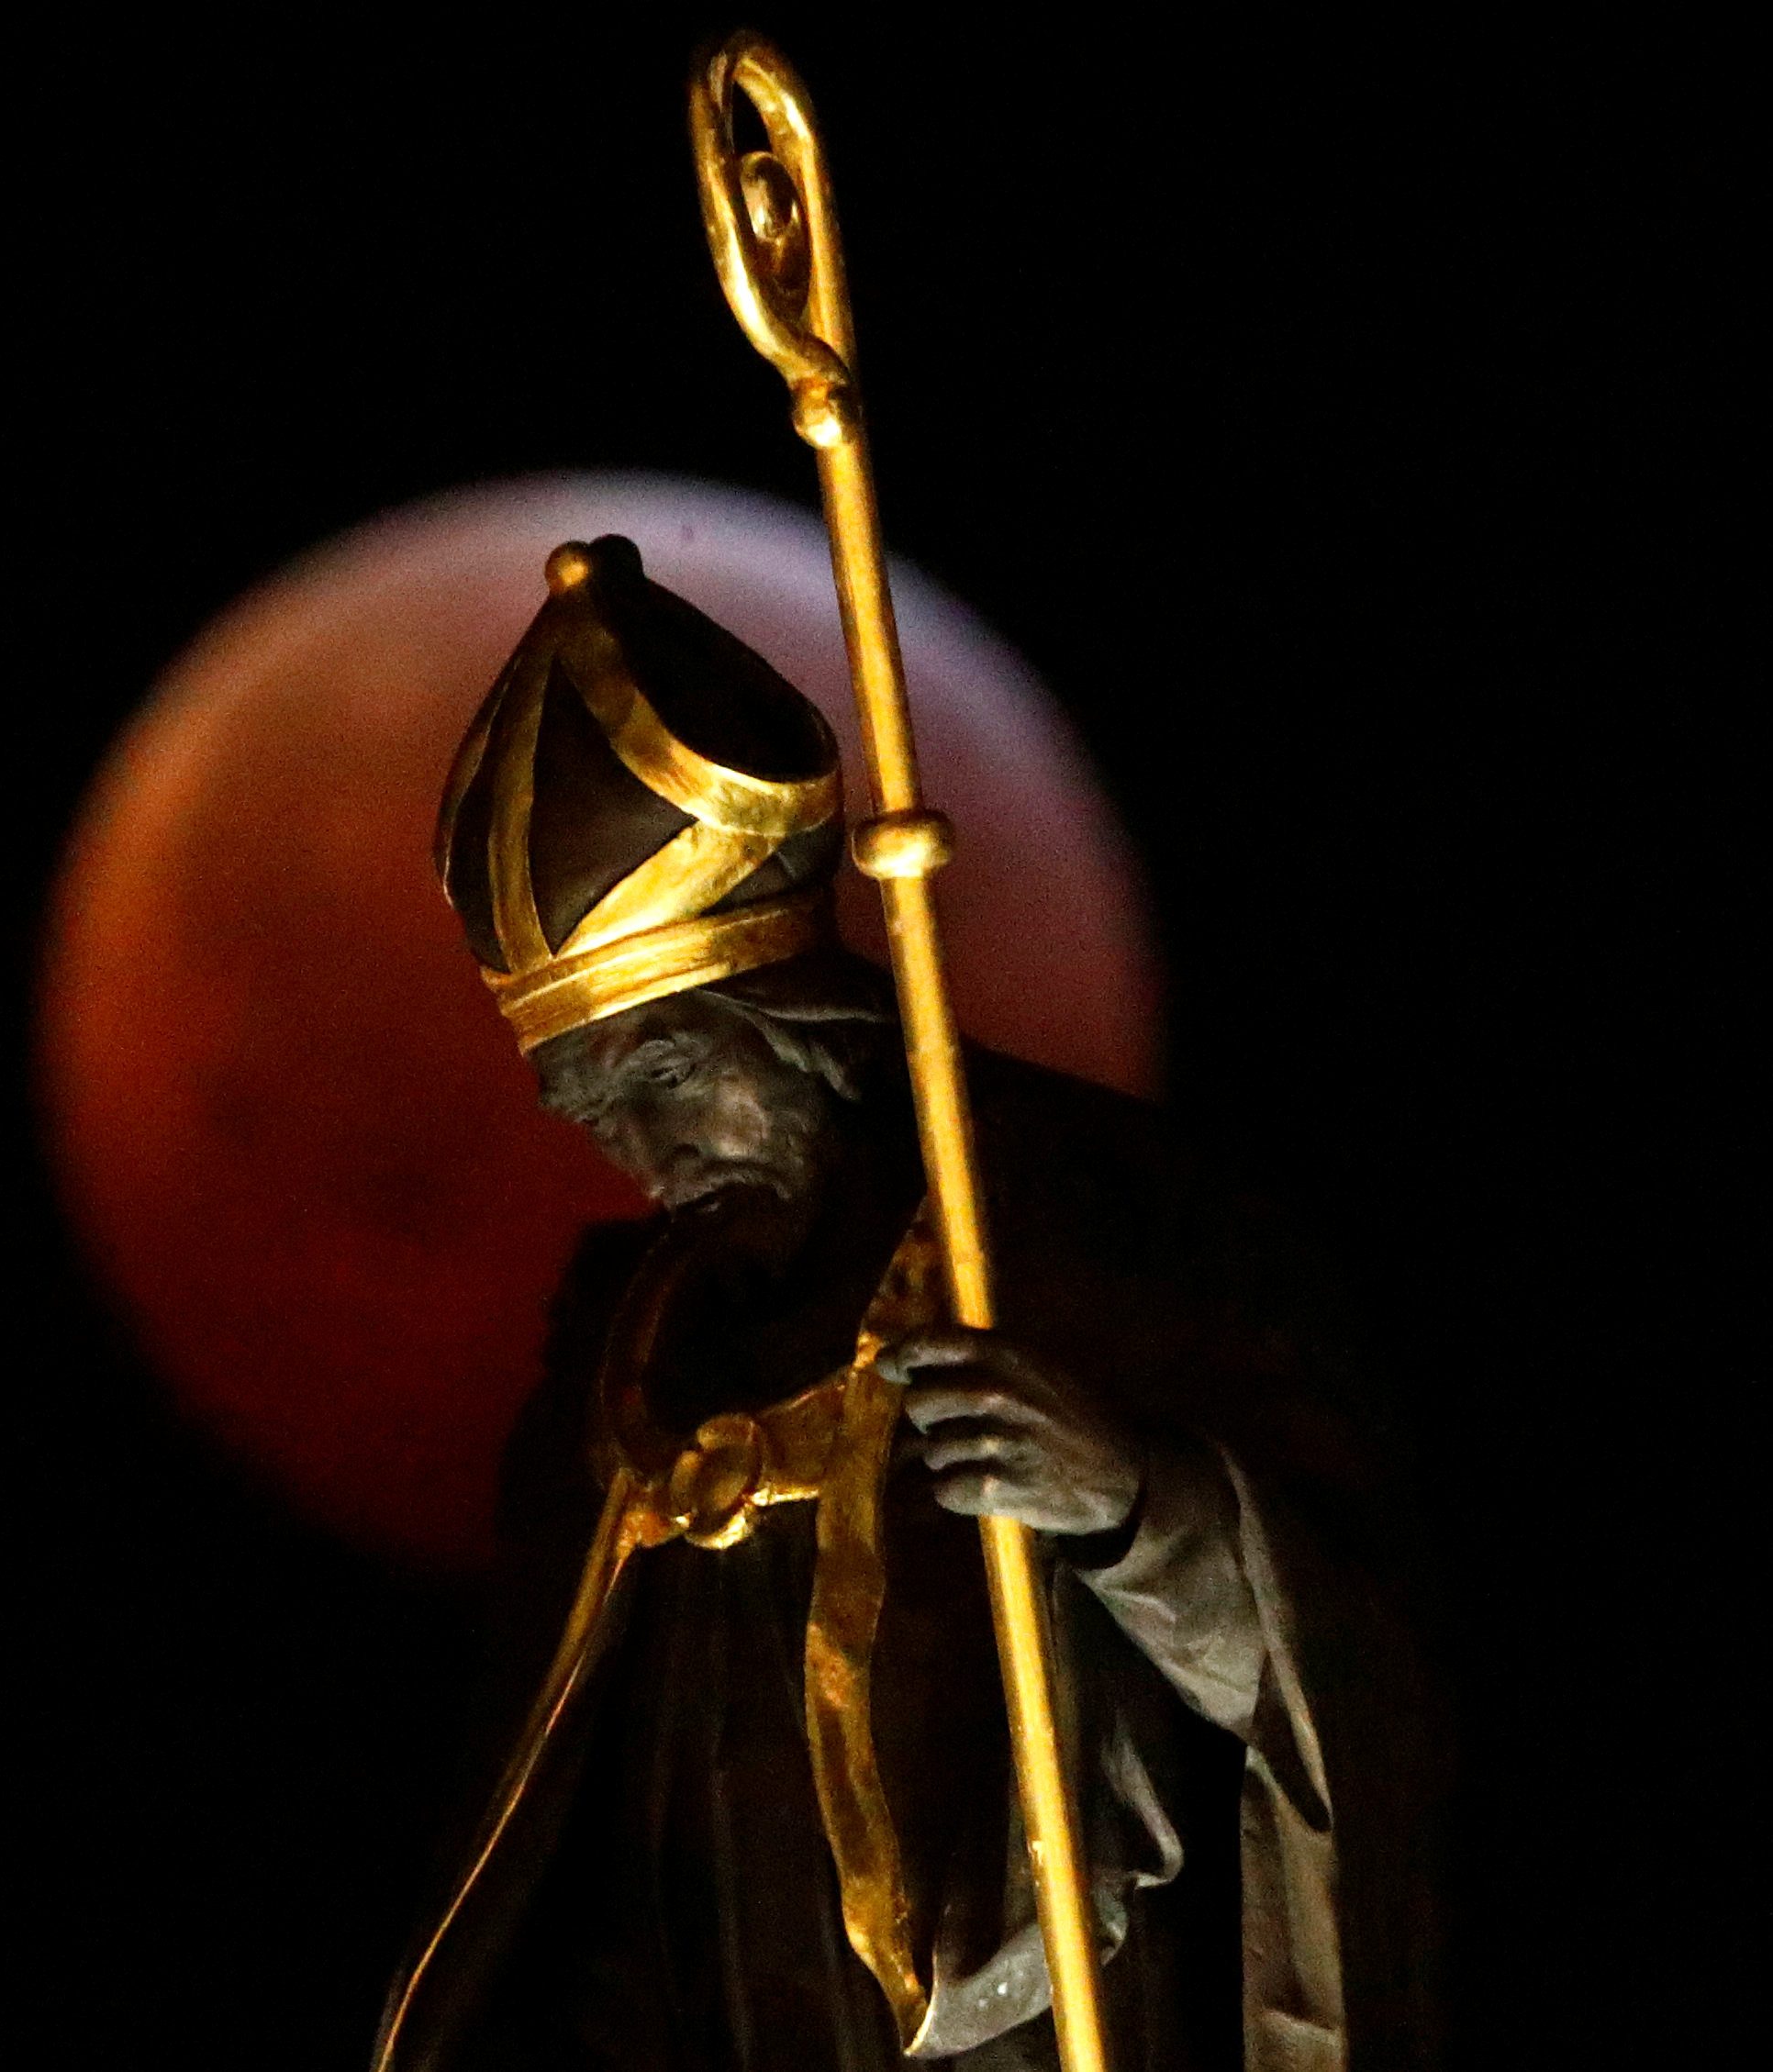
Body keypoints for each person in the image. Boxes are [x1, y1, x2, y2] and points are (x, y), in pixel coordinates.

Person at [373, 538, 1438, 2072]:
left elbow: (1366, 1652)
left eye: (671, 1077)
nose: (645, 1155)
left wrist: (1139, 1504)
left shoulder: (1078, 1224)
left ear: (799, 1027)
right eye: (591, 1109)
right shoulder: (628, 1341)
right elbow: (556, 1825)